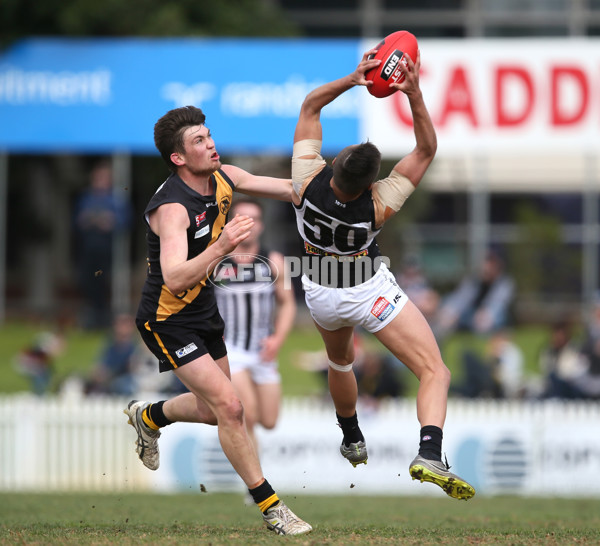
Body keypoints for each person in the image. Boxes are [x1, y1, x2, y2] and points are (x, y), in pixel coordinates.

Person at [290, 49, 475, 499]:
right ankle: (429, 452)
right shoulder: (378, 204)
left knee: (340, 362)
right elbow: (426, 149)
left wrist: (354, 79)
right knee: (434, 371)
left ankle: (351, 435)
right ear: (374, 182)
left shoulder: (303, 178)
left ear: (334, 164)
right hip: (366, 289)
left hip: (318, 290)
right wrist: (412, 92)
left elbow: (310, 105)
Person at [124, 106, 311, 535]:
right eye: (198, 141)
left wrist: (338, 190)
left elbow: (285, 188)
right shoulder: (173, 208)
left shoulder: (223, 176)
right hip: (167, 319)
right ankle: (271, 508)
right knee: (232, 407)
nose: (210, 145)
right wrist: (223, 245)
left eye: (209, 136)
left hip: (204, 311)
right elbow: (174, 278)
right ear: (178, 158)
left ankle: (150, 417)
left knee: (213, 412)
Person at [213, 197, 296, 463]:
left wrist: (277, 340)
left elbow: (288, 305)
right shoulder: (216, 261)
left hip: (262, 349)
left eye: (255, 219)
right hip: (231, 349)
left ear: (261, 225)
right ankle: (257, 487)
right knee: (247, 415)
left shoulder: (274, 262)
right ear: (230, 224)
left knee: (269, 421)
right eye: (242, 219)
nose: (250, 225)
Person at [74, 160, 132, 330]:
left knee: (107, 283)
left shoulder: (116, 199)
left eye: (103, 178)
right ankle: (92, 318)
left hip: (108, 251)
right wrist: (88, 220)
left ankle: (106, 319)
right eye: (97, 178)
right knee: (89, 282)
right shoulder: (86, 199)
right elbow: (77, 222)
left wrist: (109, 221)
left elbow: (125, 221)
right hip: (88, 250)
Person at [433, 249, 515, 340]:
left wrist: (485, 314)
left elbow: (496, 305)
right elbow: (460, 298)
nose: (486, 266)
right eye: (486, 261)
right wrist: (450, 312)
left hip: (491, 319)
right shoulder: (474, 280)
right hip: (469, 316)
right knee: (446, 316)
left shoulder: (504, 284)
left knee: (487, 321)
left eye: (490, 262)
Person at [451, 329, 524, 399]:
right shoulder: (511, 350)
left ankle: (458, 389)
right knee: (471, 382)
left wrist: (492, 352)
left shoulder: (506, 348)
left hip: (497, 383)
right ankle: (461, 389)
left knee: (468, 357)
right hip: (494, 381)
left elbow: (499, 373)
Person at [85, 313, 140, 396]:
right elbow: (102, 366)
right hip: (111, 380)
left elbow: (136, 368)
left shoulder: (136, 347)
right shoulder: (111, 346)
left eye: (125, 324)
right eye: (120, 324)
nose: (122, 328)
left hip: (130, 381)